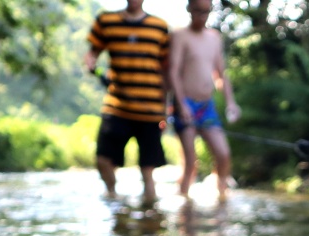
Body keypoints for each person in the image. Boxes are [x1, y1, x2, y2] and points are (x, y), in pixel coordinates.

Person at [84, 0, 172, 203]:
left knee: (148, 171)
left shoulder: (159, 26)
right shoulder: (106, 20)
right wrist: (93, 66)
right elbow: (91, 54)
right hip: (116, 106)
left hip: (151, 110)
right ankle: (114, 198)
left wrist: (166, 109)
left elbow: (166, 70)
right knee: (103, 160)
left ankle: (150, 213)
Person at [168, 0, 241, 202]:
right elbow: (173, 72)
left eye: (206, 12)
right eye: (198, 11)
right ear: (189, 9)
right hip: (185, 105)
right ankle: (183, 203)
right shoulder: (179, 35)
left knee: (223, 154)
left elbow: (221, 74)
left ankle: (221, 198)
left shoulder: (214, 37)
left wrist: (231, 103)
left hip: (206, 107)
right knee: (190, 162)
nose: (202, 16)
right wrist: (181, 105)